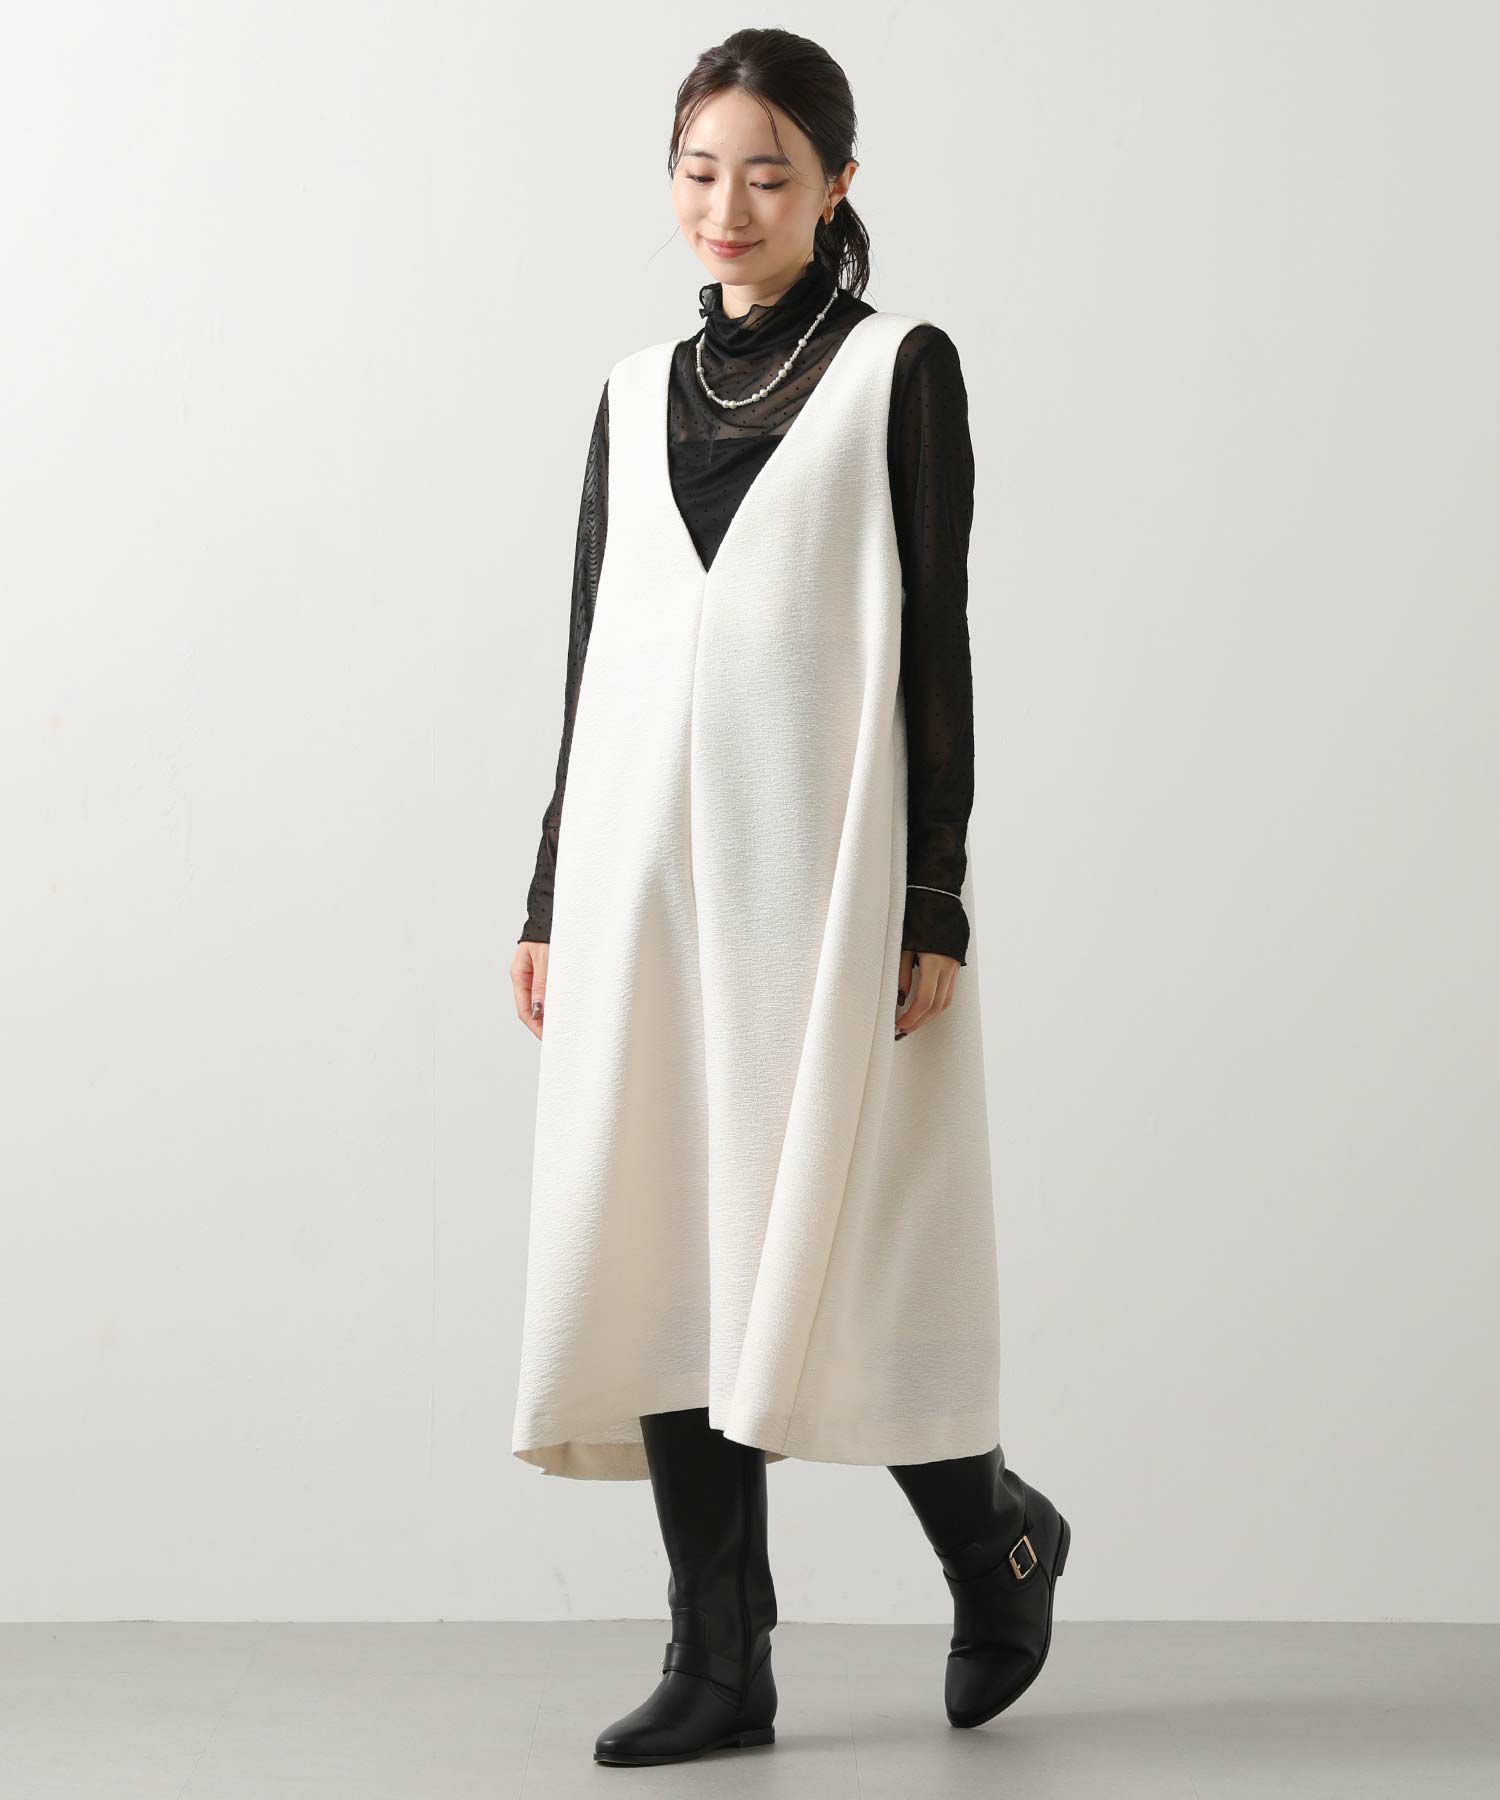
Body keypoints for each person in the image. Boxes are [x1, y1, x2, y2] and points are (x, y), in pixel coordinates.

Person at [507, 28, 1070, 1768]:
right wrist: (548, 893)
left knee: (845, 1241)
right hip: (638, 889)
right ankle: (720, 1657)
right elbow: (594, 659)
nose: (729, 205)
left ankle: (998, 1540)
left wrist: (934, 893)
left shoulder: (900, 369)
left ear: (835, 185)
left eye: (767, 172)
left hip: (814, 880)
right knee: (672, 1244)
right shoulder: (629, 395)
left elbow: (937, 643)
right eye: (700, 171)